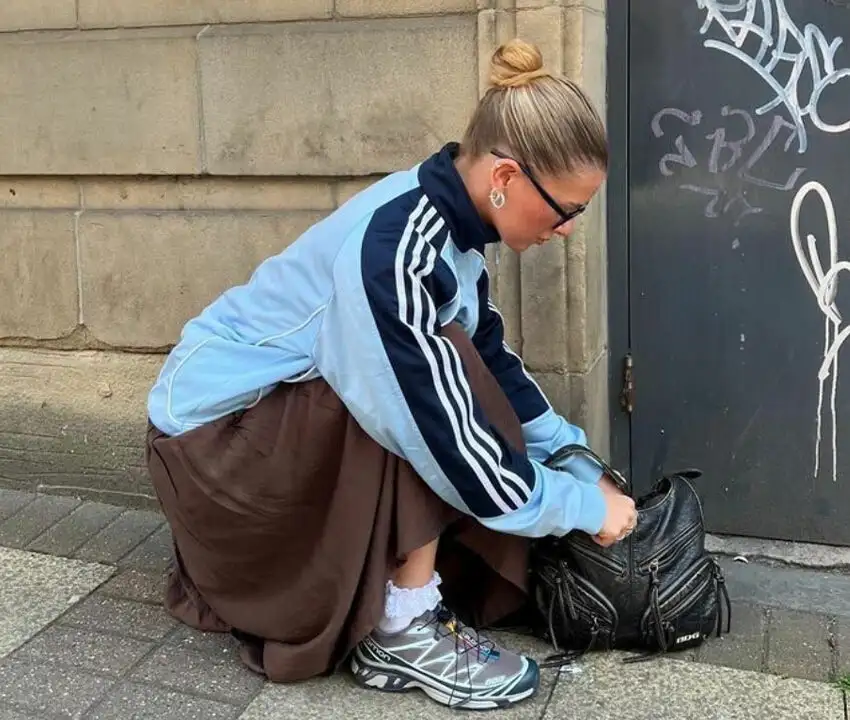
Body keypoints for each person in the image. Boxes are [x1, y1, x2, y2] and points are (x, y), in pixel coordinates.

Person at [144, 38, 637, 711]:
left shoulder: (448, 233)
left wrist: (575, 459)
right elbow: (439, 432)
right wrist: (582, 508)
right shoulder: (394, 253)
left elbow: (495, 366)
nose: (568, 229)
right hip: (211, 454)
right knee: (417, 390)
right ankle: (403, 628)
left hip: (263, 430)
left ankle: (407, 591)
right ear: (506, 176)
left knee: (446, 364)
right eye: (567, 209)